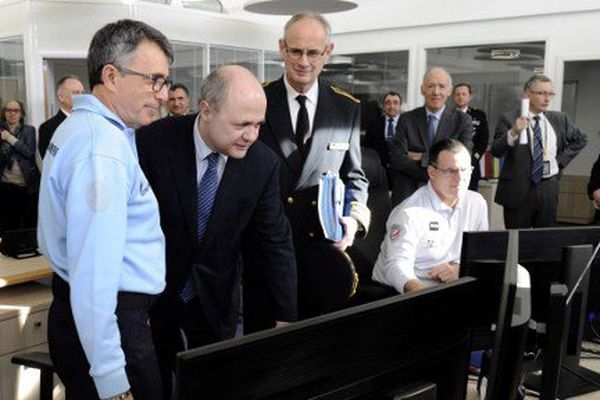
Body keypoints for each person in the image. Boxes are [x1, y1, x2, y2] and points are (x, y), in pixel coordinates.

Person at [137, 65, 297, 399]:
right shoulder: (152, 141)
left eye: (258, 125)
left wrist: (284, 314)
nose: (251, 135)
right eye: (242, 124)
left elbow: (274, 241)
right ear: (206, 110)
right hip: (153, 294)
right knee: (153, 384)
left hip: (215, 297)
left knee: (212, 386)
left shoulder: (262, 163)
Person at [37, 19, 173, 400]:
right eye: (154, 80)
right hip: (111, 325)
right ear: (111, 75)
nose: (162, 95)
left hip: (86, 317)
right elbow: (94, 278)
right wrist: (114, 380)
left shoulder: (85, 129)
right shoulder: (102, 148)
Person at [248, 11, 370, 328]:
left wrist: (355, 220)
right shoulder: (256, 99)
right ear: (282, 48)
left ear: (327, 52)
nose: (304, 61)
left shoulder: (346, 109)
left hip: (320, 256)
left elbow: (355, 177)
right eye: (295, 51)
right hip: (263, 255)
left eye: (313, 52)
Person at [372, 139, 488, 294]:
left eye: (464, 170)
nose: (459, 178)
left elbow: (480, 253)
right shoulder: (409, 212)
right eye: (450, 171)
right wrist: (427, 299)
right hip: (403, 291)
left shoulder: (476, 203)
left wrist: (460, 268)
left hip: (451, 286)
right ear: (432, 172)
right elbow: (396, 266)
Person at [491, 74, 587, 229]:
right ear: (527, 94)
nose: (547, 98)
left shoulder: (560, 119)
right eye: (542, 93)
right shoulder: (508, 119)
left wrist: (559, 161)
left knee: (544, 240)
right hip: (518, 190)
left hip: (548, 188)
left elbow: (581, 139)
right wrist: (514, 131)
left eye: (550, 94)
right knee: (516, 241)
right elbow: (496, 151)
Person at [389, 67, 472, 206]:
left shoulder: (462, 121)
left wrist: (422, 157)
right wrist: (441, 171)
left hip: (446, 198)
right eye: (430, 86)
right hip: (410, 195)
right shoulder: (406, 119)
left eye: (441, 86)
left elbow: (463, 159)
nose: (436, 92)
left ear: (449, 90)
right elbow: (397, 159)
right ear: (422, 89)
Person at [0, 100, 39, 233]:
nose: (12, 113)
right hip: (6, 185)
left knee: (29, 222)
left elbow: (29, 152)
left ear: (21, 114)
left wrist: (9, 138)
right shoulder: (0, 130)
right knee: (9, 223)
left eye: (16, 110)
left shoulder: (29, 130)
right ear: (4, 113)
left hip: (27, 185)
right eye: (8, 110)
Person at [38, 75, 85, 160]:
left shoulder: (90, 122)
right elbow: (50, 162)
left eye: (83, 92)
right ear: (61, 97)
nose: (81, 97)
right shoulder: (47, 128)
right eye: (76, 93)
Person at [452, 82, 489, 191]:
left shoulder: (478, 115)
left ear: (469, 97)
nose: (460, 97)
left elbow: (483, 140)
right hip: (451, 164)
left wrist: (474, 157)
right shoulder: (447, 115)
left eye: (464, 94)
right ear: (453, 97)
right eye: (457, 94)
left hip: (471, 163)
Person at [363, 91, 402, 187]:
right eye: (388, 103)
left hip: (401, 175)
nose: (391, 106)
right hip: (379, 175)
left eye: (395, 103)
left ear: (400, 106)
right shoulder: (373, 125)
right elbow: (367, 151)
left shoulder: (408, 124)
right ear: (383, 106)